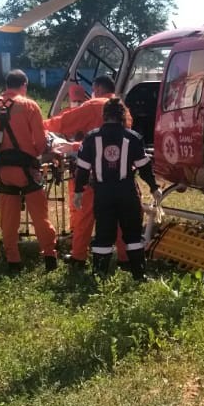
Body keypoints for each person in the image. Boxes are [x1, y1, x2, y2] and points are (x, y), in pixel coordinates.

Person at [0, 69, 58, 273]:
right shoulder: (29, 106)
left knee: (8, 218)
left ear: (7, 85)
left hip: (4, 171)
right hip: (27, 171)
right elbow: (41, 142)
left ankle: (13, 260)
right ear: (24, 85)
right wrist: (38, 155)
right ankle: (50, 256)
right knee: (39, 216)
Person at [45, 74, 132, 270]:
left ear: (98, 89)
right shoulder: (124, 110)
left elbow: (64, 123)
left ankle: (79, 257)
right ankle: (125, 259)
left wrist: (40, 126)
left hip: (95, 174)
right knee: (120, 218)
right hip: (120, 175)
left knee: (85, 215)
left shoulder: (94, 106)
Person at [73, 97, 157, 280]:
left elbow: (82, 169)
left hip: (103, 193)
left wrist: (78, 191)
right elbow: (144, 168)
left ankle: (99, 275)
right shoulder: (133, 137)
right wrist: (154, 187)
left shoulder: (91, 138)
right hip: (127, 192)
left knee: (103, 233)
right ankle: (139, 275)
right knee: (133, 234)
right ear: (123, 115)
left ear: (104, 115)